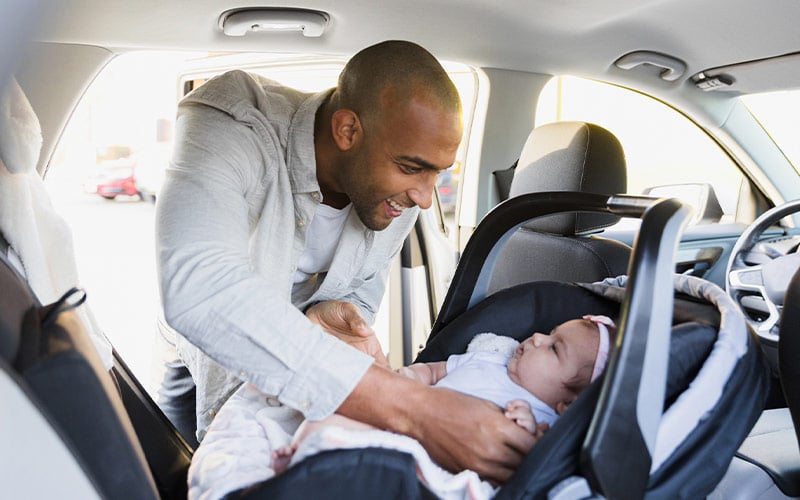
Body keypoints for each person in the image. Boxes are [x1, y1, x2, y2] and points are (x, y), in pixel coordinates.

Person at [155, 39, 536, 483]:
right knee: (166, 476)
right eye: (412, 168)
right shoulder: (234, 123)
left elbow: (362, 288)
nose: (424, 199)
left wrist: (333, 313)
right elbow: (200, 286)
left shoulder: (402, 196)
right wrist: (417, 410)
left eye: (438, 173)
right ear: (348, 131)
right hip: (202, 351)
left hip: (303, 378)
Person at [271, 314, 616, 472]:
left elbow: (533, 458)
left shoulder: (544, 419)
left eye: (555, 349)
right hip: (397, 422)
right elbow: (435, 371)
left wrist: (529, 429)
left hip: (443, 462)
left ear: (567, 403)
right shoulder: (491, 357)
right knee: (333, 412)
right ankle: (301, 450)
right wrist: (403, 377)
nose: (538, 338)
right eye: (550, 332)